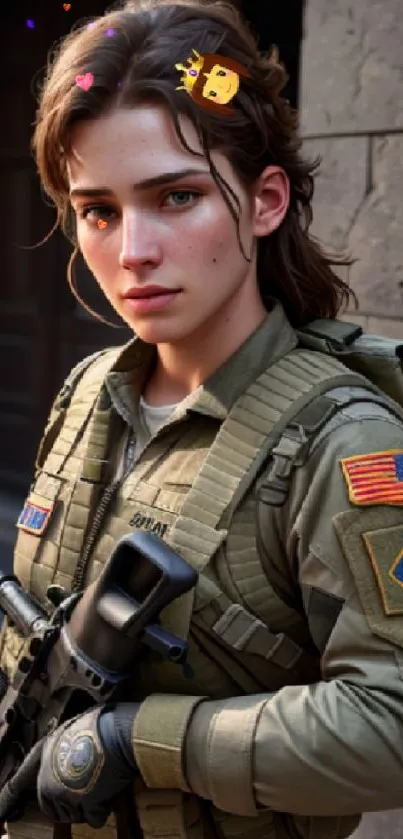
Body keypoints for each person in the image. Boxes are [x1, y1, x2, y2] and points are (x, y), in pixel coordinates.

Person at [2, 0, 403, 838]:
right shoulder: (87, 391)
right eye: (98, 211)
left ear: (263, 201)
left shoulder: (344, 440)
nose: (131, 250)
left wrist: (137, 739)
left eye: (176, 197)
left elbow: (389, 721)